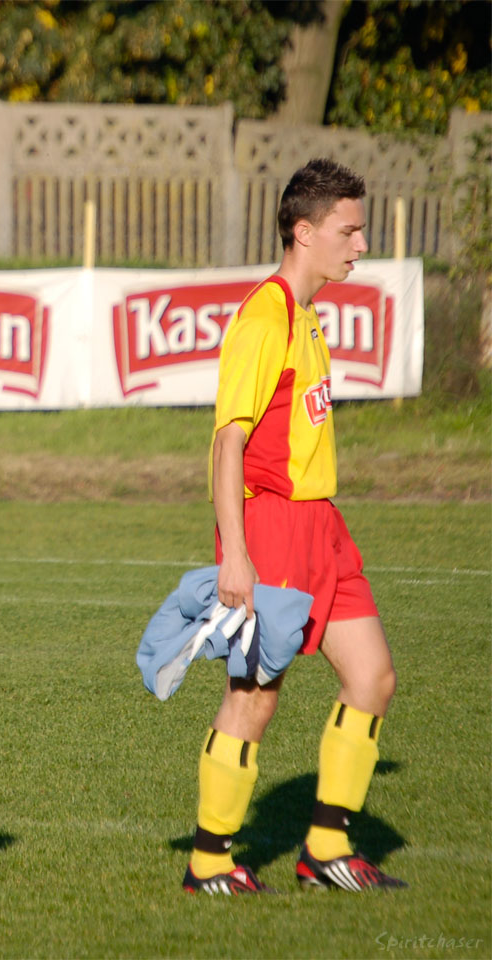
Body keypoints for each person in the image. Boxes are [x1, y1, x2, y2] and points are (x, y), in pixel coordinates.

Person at [182, 158, 406, 894]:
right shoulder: (265, 314)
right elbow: (226, 442)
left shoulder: (309, 313)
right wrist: (236, 555)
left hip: (323, 525)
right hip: (270, 527)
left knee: (371, 677)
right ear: (303, 231)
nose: (361, 243)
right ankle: (211, 860)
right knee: (256, 694)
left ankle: (325, 848)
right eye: (349, 229)